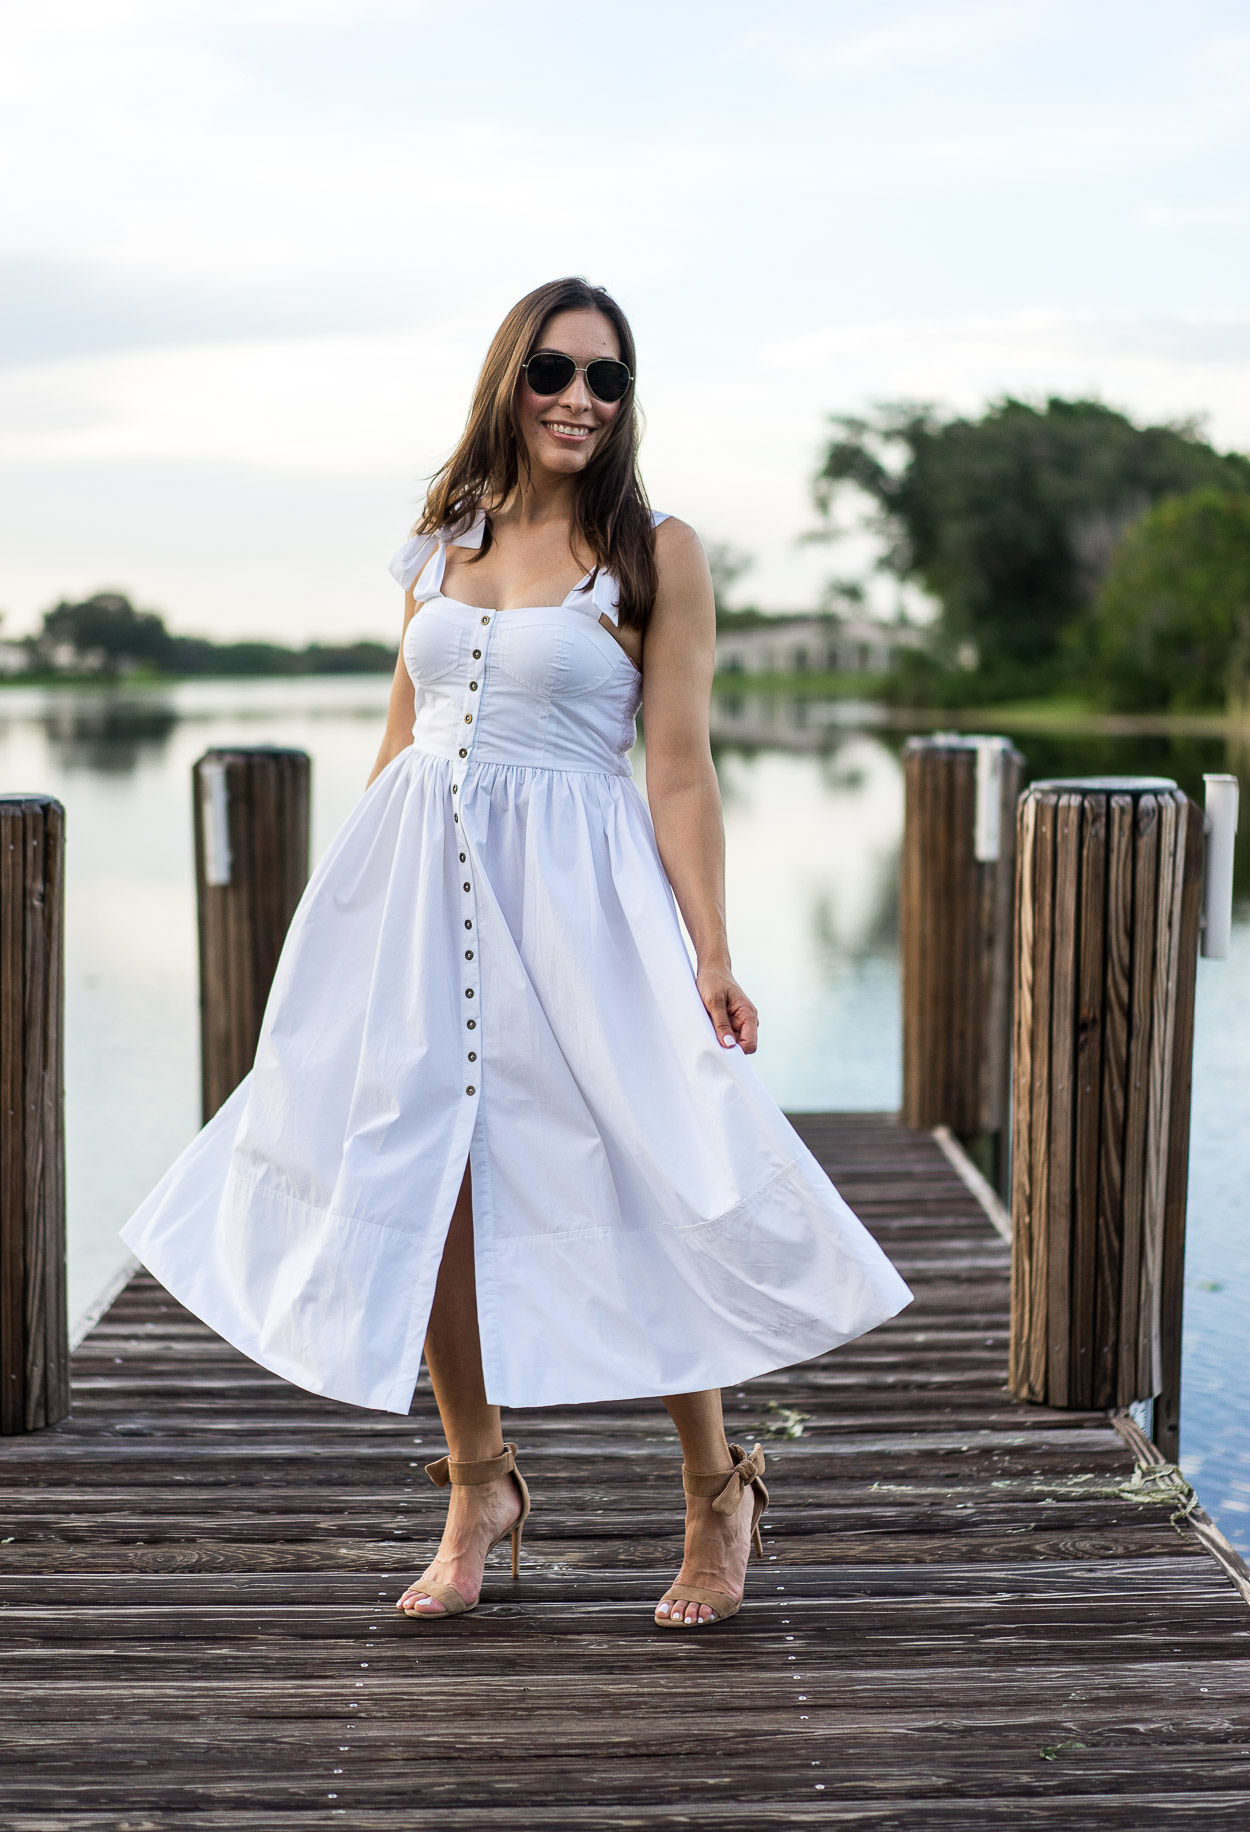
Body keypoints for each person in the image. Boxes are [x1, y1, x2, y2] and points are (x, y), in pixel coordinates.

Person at [122, 276, 912, 1630]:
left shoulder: (654, 552)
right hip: (416, 893)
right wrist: (342, 924)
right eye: (555, 370)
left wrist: (711, 951)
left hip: (582, 901)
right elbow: (398, 736)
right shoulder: (441, 538)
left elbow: (677, 773)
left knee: (652, 1167)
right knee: (425, 1177)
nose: (580, 400)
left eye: (607, 380)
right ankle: (476, 1481)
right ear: (510, 376)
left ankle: (714, 1490)